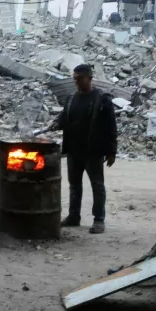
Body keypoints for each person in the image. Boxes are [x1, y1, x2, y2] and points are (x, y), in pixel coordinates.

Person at [47, 63, 118, 234]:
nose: (77, 82)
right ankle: (74, 216)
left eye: (80, 79)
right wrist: (55, 124)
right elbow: (64, 118)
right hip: (73, 150)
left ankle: (99, 220)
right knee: (74, 185)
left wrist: (111, 151)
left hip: (93, 151)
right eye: (75, 79)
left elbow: (111, 127)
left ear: (89, 78)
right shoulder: (72, 98)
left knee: (97, 185)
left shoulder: (102, 99)